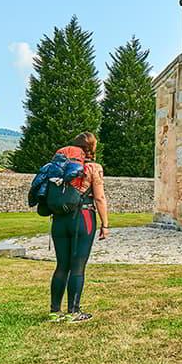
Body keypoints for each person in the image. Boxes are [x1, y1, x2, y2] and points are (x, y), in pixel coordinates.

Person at [48, 132, 109, 323]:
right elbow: (99, 198)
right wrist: (105, 224)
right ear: (91, 147)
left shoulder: (60, 167)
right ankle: (73, 312)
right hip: (83, 218)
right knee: (78, 266)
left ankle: (54, 311)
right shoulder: (93, 168)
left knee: (61, 265)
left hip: (59, 219)